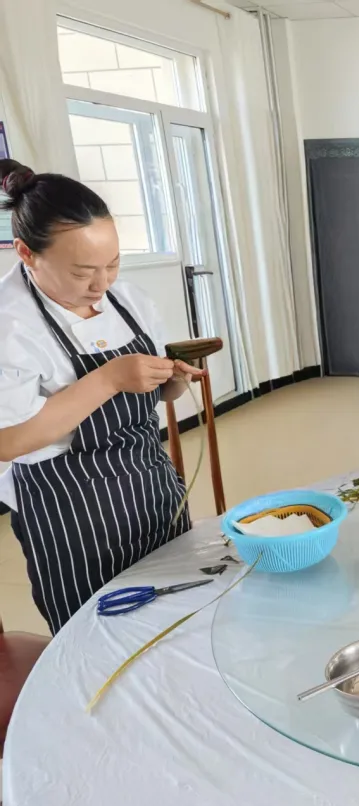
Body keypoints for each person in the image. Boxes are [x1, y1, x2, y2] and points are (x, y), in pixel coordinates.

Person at [0, 160, 201, 635]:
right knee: (97, 633)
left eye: (112, 263)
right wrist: (109, 379)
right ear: (27, 253)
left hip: (149, 488)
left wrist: (171, 380)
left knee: (176, 614)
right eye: (82, 271)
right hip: (70, 510)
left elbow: (149, 396)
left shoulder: (128, 299)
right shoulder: (10, 324)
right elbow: (9, 441)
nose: (101, 284)